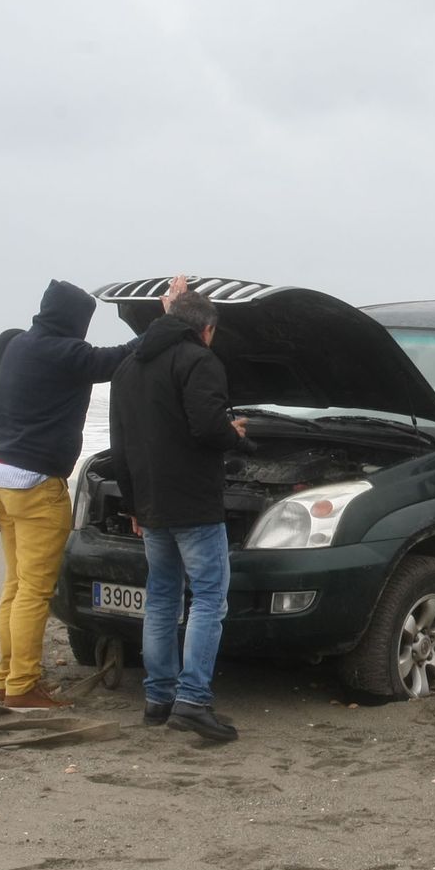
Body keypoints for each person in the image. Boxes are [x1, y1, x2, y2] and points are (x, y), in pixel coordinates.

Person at [0, 280, 138, 709]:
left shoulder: (18, 346)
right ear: (75, 320)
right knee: (34, 592)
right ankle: (22, 687)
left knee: (16, 585)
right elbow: (121, 357)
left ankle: (7, 678)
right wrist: (167, 322)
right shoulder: (65, 352)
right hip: (35, 486)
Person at [109, 278, 246, 742]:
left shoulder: (128, 366)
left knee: (162, 597)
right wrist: (234, 434)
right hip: (194, 504)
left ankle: (158, 699)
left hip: (150, 503)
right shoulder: (199, 360)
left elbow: (119, 444)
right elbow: (207, 428)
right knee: (208, 599)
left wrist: (133, 503)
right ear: (206, 329)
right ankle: (193, 701)